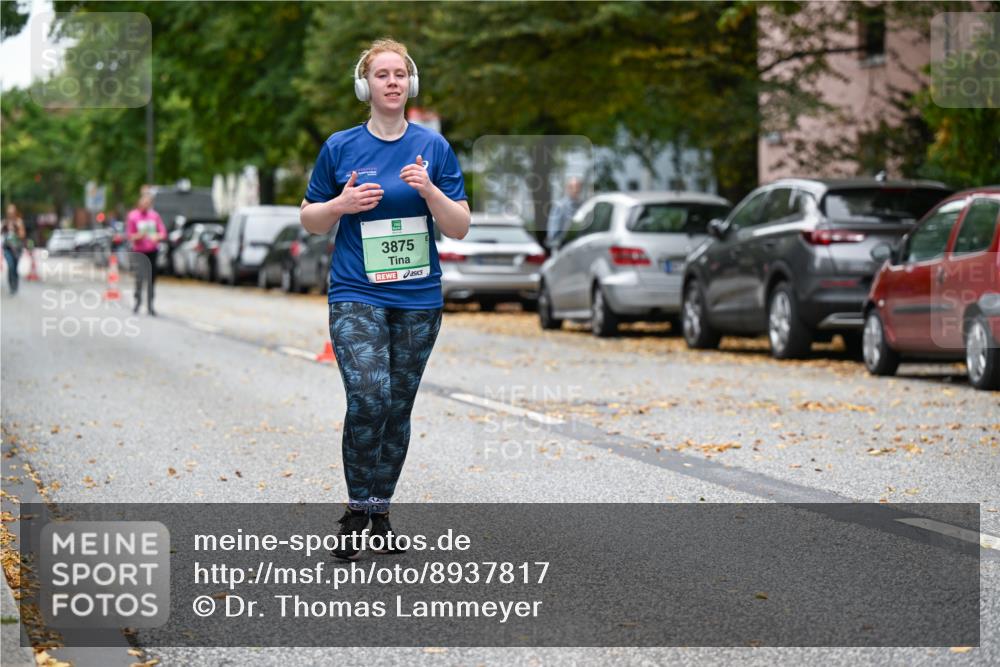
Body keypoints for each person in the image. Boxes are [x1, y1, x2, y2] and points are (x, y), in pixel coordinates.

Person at [300, 38, 470, 560]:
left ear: (410, 84)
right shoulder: (341, 147)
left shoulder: (434, 149)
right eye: (382, 74)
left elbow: (459, 226)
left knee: (397, 408)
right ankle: (355, 508)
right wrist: (342, 203)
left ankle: (380, 509)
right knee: (370, 396)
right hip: (356, 291)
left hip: (418, 297)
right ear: (365, 85)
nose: (392, 81)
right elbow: (309, 218)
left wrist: (430, 191)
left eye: (400, 74)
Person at [126, 193, 166, 316]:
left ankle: (150, 305)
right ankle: (137, 302)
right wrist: (139, 236)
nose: (146, 205)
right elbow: (129, 235)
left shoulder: (154, 216)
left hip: (152, 251)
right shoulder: (133, 216)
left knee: (151, 279)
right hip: (139, 252)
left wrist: (157, 237)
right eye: (144, 203)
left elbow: (163, 233)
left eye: (148, 204)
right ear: (140, 203)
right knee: (139, 278)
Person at [545, 176, 584, 253]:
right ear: (567, 189)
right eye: (572, 187)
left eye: (577, 187)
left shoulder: (582, 206)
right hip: (562, 249)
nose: (575, 190)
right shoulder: (560, 206)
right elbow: (553, 232)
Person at [2, 204, 26, 294]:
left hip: (17, 249)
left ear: (15, 213)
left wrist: (16, 228)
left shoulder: (19, 222)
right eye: (9, 213)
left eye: (12, 212)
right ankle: (11, 286)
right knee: (10, 266)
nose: (10, 214)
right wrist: (5, 227)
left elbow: (22, 235)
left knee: (15, 268)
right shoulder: (5, 222)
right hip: (7, 248)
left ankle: (15, 285)